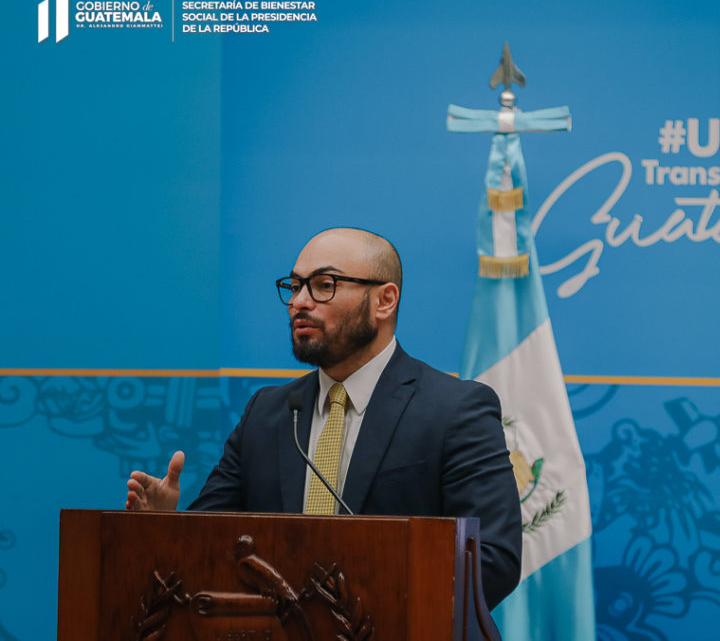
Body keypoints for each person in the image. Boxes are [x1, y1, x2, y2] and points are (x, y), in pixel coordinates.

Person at [125, 227, 522, 610]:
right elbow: (213, 547)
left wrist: (351, 608)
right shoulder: (267, 412)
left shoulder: (455, 409)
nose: (299, 301)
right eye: (295, 286)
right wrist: (162, 527)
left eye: (324, 284)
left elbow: (492, 560)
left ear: (384, 300)